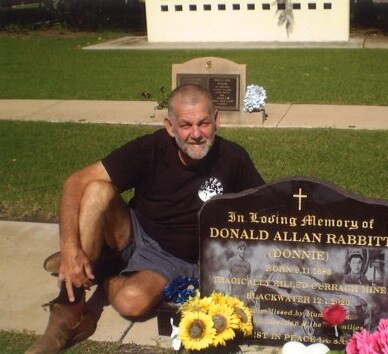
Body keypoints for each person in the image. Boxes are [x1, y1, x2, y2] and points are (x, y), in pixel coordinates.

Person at [26, 83, 265, 354]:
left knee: (132, 303)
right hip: (134, 231)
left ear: (217, 120)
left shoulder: (233, 158)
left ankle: (103, 271)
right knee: (95, 190)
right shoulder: (149, 148)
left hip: (175, 258)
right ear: (170, 126)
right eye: (185, 125)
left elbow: (266, 211)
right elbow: (74, 183)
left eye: (204, 123)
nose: (196, 134)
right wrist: (70, 248)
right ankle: (71, 305)